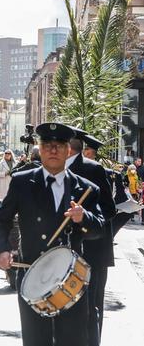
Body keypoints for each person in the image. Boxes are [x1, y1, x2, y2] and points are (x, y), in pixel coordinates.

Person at [0, 122, 105, 346]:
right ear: (40, 149)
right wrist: (1, 250)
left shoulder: (86, 188)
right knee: (36, 340)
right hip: (34, 277)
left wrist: (84, 218)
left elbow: (99, 229)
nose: (53, 150)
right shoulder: (22, 182)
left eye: (59, 145)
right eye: (47, 145)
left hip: (72, 280)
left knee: (72, 340)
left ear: (68, 150)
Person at [66, 128, 116, 346]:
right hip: (63, 251)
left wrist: (85, 219)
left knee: (91, 308)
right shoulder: (49, 169)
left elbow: (109, 209)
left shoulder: (94, 169)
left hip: (92, 250)